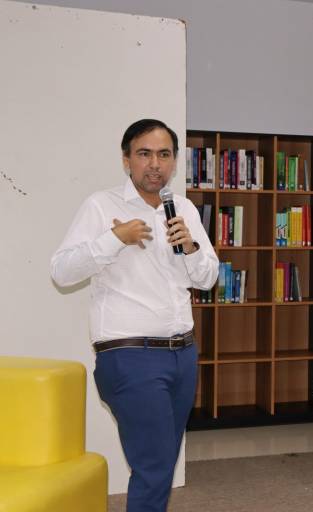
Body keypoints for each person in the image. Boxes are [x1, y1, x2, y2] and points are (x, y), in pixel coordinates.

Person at [51, 119, 219, 512]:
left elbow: (209, 278)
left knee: (159, 462)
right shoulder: (102, 205)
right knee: (154, 463)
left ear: (175, 162)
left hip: (182, 355)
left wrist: (192, 246)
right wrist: (115, 239)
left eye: (164, 154)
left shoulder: (186, 209)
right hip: (129, 355)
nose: (154, 164)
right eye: (144, 153)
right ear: (127, 160)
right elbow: (61, 271)